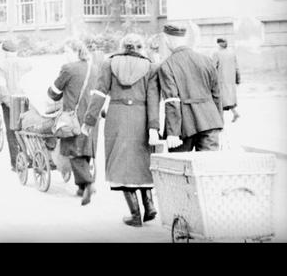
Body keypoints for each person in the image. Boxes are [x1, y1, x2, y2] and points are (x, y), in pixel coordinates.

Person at [82, 34, 160, 226]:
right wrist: (154, 127)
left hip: (117, 116)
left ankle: (135, 216)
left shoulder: (109, 64)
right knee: (142, 160)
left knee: (120, 162)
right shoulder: (150, 67)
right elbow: (153, 99)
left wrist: (89, 120)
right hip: (141, 116)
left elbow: (99, 93)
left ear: (122, 46)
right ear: (140, 47)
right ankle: (149, 206)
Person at [47, 39, 98, 206]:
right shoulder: (95, 69)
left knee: (74, 152)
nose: (65, 55)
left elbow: (54, 92)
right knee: (86, 149)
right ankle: (82, 187)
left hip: (73, 117)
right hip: (91, 116)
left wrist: (56, 93)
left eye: (66, 51)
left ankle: (88, 183)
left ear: (75, 52)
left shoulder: (69, 68)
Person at [158, 24, 224, 152]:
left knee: (180, 167)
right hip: (210, 121)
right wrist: (219, 122)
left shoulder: (167, 65)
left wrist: (173, 132)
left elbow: (172, 101)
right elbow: (217, 94)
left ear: (166, 40)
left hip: (184, 125)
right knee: (208, 168)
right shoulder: (207, 60)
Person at [0, 40, 31, 172]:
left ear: (4, 52)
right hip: (26, 99)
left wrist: (7, 102)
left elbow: (1, 84)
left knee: (12, 132)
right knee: (26, 129)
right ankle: (27, 156)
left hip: (11, 101)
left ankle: (16, 162)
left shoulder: (1, 65)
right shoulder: (25, 63)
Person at [212, 38, 241, 123]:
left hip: (220, 80)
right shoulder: (232, 53)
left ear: (219, 44)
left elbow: (213, 67)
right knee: (227, 99)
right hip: (230, 80)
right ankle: (234, 113)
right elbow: (237, 67)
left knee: (220, 100)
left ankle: (221, 121)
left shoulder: (216, 53)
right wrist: (238, 79)